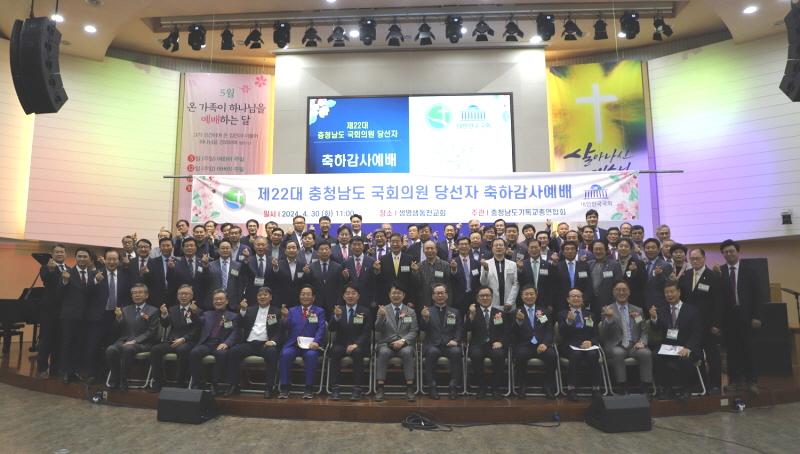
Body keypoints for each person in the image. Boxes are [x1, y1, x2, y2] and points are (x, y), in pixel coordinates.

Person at [718, 239, 764, 395]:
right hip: (728, 318)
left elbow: (758, 295)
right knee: (732, 351)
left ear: (738, 252)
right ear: (723, 254)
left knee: (749, 349)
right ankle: (735, 381)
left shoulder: (750, 270)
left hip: (747, 316)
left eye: (731, 251)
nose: (729, 254)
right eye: (725, 252)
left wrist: (757, 316)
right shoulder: (719, 272)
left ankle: (751, 381)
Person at [679, 248, 723, 394]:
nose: (695, 261)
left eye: (698, 258)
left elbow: (718, 302)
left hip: (708, 324)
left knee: (712, 355)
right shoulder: (686, 275)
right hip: (691, 325)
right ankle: (701, 383)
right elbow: (684, 299)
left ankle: (715, 385)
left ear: (704, 259)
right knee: (696, 355)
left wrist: (717, 324)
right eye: (692, 259)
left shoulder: (713, 276)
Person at [225, 287, 283, 398]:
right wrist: (242, 310)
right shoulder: (250, 310)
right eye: (260, 295)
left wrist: (273, 341)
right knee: (233, 352)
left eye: (265, 294)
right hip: (249, 344)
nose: (262, 297)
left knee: (272, 352)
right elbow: (240, 325)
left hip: (266, 344)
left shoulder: (277, 312)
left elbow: (280, 331)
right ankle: (234, 386)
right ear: (256, 297)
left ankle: (269, 387)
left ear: (271, 297)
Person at [650, 282, 702, 401]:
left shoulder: (692, 311)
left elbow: (697, 333)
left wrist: (688, 347)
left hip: (687, 346)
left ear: (679, 292)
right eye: (666, 292)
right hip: (669, 346)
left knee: (684, 359)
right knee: (655, 355)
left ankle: (686, 389)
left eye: (672, 291)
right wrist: (654, 318)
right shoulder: (661, 310)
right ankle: (667, 389)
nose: (669, 295)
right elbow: (656, 328)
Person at [599, 280, 653, 396]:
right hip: (617, 345)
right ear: (613, 292)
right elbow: (605, 332)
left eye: (624, 290)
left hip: (635, 345)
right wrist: (609, 318)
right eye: (618, 290)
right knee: (617, 353)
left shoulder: (637, 310)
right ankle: (623, 387)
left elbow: (644, 330)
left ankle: (645, 387)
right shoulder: (607, 309)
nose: (621, 292)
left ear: (629, 292)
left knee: (645, 353)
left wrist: (642, 342)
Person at [86, 250, 130, 384]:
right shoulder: (94, 274)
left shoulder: (124, 275)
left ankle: (108, 373)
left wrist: (123, 311)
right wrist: (95, 281)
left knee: (111, 346)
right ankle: (92, 373)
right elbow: (86, 293)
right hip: (98, 316)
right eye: (109, 259)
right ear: (104, 260)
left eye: (115, 259)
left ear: (119, 261)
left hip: (115, 316)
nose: (112, 262)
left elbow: (127, 296)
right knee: (93, 345)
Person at [105, 283, 159, 391]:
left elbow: (151, 332)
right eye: (135, 293)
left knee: (128, 348)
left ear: (146, 295)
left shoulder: (153, 311)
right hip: (124, 340)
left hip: (142, 343)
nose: (137, 295)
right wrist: (118, 318)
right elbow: (117, 329)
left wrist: (135, 341)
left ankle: (124, 380)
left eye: (140, 292)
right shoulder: (125, 309)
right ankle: (115, 379)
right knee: (111, 349)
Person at [149, 285, 202, 392]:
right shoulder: (172, 309)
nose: (183, 296)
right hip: (172, 340)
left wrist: (183, 339)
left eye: (186, 294)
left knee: (182, 349)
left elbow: (197, 329)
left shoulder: (197, 311)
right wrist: (164, 315)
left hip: (188, 341)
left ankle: (180, 381)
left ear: (191, 296)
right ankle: (158, 381)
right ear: (177, 296)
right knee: (155, 349)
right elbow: (165, 324)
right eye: (181, 294)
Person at [278, 285, 326, 399]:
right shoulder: (292, 310)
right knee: (285, 354)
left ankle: (309, 388)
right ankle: (284, 387)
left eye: (308, 294)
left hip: (310, 345)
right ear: (299, 296)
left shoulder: (319, 311)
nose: (305, 297)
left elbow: (321, 328)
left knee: (311, 356)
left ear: (313, 297)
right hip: (293, 345)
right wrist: (284, 317)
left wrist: (317, 342)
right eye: (303, 294)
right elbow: (284, 328)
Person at [189, 289, 239, 396]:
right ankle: (198, 383)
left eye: (221, 299)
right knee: (194, 352)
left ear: (226, 301)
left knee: (222, 354)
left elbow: (234, 333)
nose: (218, 301)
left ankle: (214, 384)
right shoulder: (207, 314)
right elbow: (198, 323)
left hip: (221, 343)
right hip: (207, 343)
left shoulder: (233, 316)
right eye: (216, 299)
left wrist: (226, 343)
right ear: (213, 301)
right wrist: (194, 313)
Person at [328, 284, 373, 401]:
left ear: (358, 296)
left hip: (358, 344)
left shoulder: (365, 311)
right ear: (343, 296)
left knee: (357, 352)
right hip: (341, 343)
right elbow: (331, 328)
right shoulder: (338, 310)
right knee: (335, 351)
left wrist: (356, 344)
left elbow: (366, 333)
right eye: (347, 293)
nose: (350, 296)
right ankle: (335, 387)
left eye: (353, 293)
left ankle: (357, 388)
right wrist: (337, 317)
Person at [511, 285, 557, 400]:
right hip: (524, 345)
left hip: (542, 345)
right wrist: (519, 321)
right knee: (520, 355)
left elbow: (550, 331)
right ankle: (522, 386)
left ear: (536, 296)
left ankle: (548, 386)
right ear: (521, 296)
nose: (529, 296)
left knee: (552, 355)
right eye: (526, 294)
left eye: (532, 294)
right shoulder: (515, 312)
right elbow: (512, 333)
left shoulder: (544, 312)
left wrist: (545, 343)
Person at [374, 283, 418, 402]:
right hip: (386, 344)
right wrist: (382, 317)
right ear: (389, 294)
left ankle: (410, 387)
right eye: (394, 293)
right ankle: (380, 387)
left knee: (408, 352)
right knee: (383, 353)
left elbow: (414, 331)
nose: (396, 295)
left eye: (399, 293)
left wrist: (403, 341)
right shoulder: (383, 310)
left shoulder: (410, 311)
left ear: (403, 295)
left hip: (404, 344)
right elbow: (377, 329)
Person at [59, 247, 96, 384]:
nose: (82, 259)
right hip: (69, 316)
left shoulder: (93, 274)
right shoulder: (67, 273)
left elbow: (91, 293)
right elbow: (59, 292)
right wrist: (65, 281)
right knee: (67, 344)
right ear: (75, 258)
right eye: (79, 256)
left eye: (85, 256)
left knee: (79, 345)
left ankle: (75, 371)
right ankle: (66, 372)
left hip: (85, 316)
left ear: (89, 259)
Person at [420, 284, 463, 400]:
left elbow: (459, 329)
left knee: (456, 352)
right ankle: (431, 385)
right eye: (437, 293)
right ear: (432, 296)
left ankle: (453, 385)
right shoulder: (427, 311)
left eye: (442, 293)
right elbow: (423, 329)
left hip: (450, 344)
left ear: (447, 295)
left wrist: (456, 340)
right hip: (433, 344)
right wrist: (425, 318)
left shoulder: (454, 311)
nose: (440, 295)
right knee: (431, 353)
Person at [558, 288, 602, 401]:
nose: (576, 298)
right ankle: (571, 389)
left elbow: (596, 334)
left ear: (582, 299)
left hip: (588, 345)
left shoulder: (590, 315)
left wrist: (591, 342)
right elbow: (561, 332)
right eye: (573, 296)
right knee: (576, 355)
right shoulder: (562, 314)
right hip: (570, 346)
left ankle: (596, 388)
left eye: (579, 296)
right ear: (568, 299)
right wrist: (569, 321)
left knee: (593, 355)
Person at [466, 286, 510, 400]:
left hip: (495, 344)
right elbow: (465, 329)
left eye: (487, 295)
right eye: (482, 296)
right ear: (477, 298)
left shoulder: (500, 313)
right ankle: (482, 387)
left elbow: (507, 332)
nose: (485, 298)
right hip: (478, 344)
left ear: (492, 297)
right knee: (476, 355)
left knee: (499, 355)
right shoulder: (472, 312)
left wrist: (501, 342)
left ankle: (495, 387)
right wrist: (471, 317)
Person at [36, 243, 67, 379]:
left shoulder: (69, 269)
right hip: (49, 311)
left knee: (59, 341)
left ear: (65, 254)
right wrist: (50, 269)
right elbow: (45, 279)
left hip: (64, 311)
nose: (59, 254)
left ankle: (56, 368)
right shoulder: (45, 268)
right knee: (46, 340)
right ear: (52, 254)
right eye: (57, 252)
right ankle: (42, 369)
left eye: (62, 252)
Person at [200, 239, 243, 310]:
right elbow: (206, 279)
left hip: (232, 302)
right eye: (223, 248)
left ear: (231, 250)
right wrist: (205, 265)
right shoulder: (210, 265)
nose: (225, 250)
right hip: (214, 301)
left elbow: (240, 285)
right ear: (218, 250)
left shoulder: (238, 265)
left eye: (227, 248)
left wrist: (240, 301)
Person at [268, 239, 311, 309]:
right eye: (289, 248)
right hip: (281, 300)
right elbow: (273, 278)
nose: (291, 250)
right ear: (285, 251)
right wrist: (275, 267)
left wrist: (307, 274)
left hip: (297, 301)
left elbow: (305, 282)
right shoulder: (278, 264)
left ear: (298, 250)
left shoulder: (303, 265)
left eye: (293, 248)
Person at [308, 241, 346, 319]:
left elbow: (340, 286)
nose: (324, 251)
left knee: (332, 324)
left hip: (333, 303)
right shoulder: (311, 267)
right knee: (314, 323)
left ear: (330, 251)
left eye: (326, 249)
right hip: (316, 302)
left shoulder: (338, 267)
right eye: (321, 249)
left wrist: (339, 303)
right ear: (318, 252)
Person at [374, 232, 414, 307]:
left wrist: (411, 300)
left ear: (402, 243)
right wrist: (377, 271)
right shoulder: (383, 259)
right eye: (392, 241)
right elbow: (379, 282)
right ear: (389, 243)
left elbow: (412, 282)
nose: (395, 244)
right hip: (387, 299)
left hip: (405, 299)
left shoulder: (409, 259)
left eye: (397, 241)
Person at [516, 239, 556, 312]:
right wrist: (520, 269)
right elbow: (519, 282)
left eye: (536, 247)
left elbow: (551, 285)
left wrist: (550, 303)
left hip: (543, 301)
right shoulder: (522, 264)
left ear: (540, 248)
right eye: (531, 247)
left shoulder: (547, 265)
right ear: (528, 249)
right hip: (526, 299)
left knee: (542, 318)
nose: (534, 250)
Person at [479, 238, 519, 309]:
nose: (498, 247)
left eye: (501, 245)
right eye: (496, 245)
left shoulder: (512, 264)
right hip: (492, 303)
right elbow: (483, 283)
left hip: (509, 303)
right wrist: (485, 269)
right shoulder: (486, 263)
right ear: (492, 249)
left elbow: (516, 283)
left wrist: (510, 302)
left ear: (505, 248)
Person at [554, 241, 592, 314]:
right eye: (567, 249)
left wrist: (585, 302)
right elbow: (553, 286)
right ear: (563, 252)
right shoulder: (557, 267)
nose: (570, 251)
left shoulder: (583, 267)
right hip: (561, 304)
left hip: (580, 302)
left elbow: (588, 285)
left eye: (572, 249)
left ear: (576, 252)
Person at [587, 240, 623, 316]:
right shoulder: (589, 264)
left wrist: (614, 303)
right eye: (596, 249)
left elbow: (618, 285)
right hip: (592, 302)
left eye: (601, 249)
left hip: (608, 302)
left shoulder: (614, 265)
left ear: (606, 250)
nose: (598, 251)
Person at [412, 240, 451, 309]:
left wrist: (448, 302)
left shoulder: (445, 265)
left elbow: (448, 284)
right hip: (424, 302)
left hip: (441, 300)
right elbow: (417, 284)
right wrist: (414, 272)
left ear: (436, 250)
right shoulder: (419, 266)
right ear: (423, 251)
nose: (429, 251)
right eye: (427, 248)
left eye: (432, 248)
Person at [141, 237, 177, 309]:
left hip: (173, 297)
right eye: (163, 246)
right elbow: (148, 281)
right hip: (156, 298)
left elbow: (178, 279)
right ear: (160, 247)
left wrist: (172, 269)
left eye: (168, 245)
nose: (166, 248)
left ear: (172, 247)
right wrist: (146, 273)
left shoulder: (177, 262)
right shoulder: (153, 262)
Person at [342, 237, 377, 309]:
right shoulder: (346, 263)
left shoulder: (372, 261)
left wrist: (375, 298)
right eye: (354, 244)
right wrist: (346, 276)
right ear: (350, 246)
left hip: (368, 299)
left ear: (363, 246)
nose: (357, 247)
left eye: (359, 244)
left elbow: (375, 282)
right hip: (351, 299)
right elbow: (344, 283)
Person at [450, 236, 482, 315]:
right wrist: (453, 269)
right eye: (461, 244)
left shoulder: (476, 263)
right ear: (457, 247)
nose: (463, 246)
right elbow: (451, 279)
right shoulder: (451, 262)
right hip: (458, 298)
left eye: (466, 244)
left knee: (473, 319)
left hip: (473, 298)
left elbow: (479, 281)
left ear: (470, 246)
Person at [642, 238, 673, 313]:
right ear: (644, 250)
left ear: (659, 250)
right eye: (648, 248)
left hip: (659, 305)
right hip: (643, 304)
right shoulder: (642, 264)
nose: (650, 250)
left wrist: (660, 276)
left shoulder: (665, 265)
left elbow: (669, 285)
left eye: (653, 247)